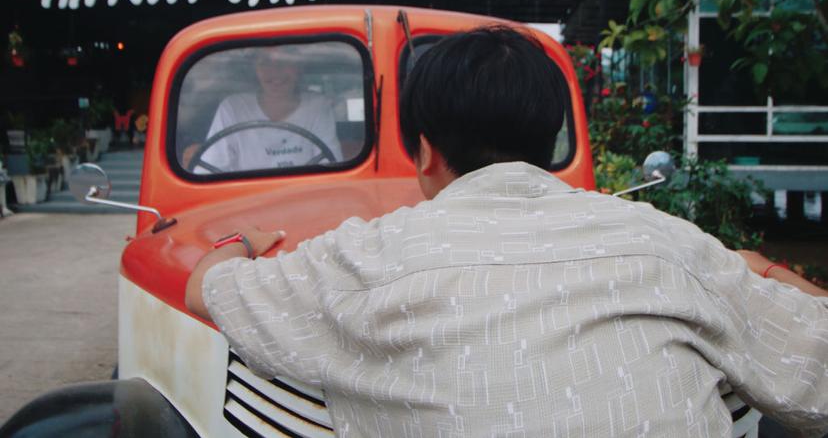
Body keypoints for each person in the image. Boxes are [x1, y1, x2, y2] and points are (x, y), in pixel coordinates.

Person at [186, 26, 828, 437]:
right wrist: (760, 266)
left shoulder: (359, 254)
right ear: (549, 141)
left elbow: (205, 290)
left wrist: (241, 242)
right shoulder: (671, 243)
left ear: (424, 152)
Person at [190, 46, 342, 173]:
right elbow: (209, 170)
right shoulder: (233, 108)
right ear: (255, 69)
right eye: (265, 62)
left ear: (299, 67)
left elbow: (329, 169)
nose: (275, 71)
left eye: (284, 61)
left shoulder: (317, 106)